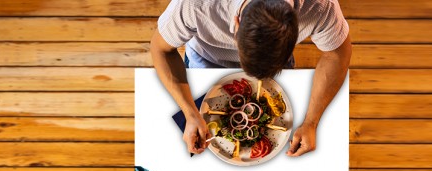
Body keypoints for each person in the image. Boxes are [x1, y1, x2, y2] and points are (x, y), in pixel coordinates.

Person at [151, 0, 352, 156]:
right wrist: (190, 113)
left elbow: (337, 54)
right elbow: (160, 49)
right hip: (206, 60)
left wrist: (311, 122)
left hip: (278, 68)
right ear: (236, 23)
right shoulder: (194, 5)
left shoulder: (320, 6)